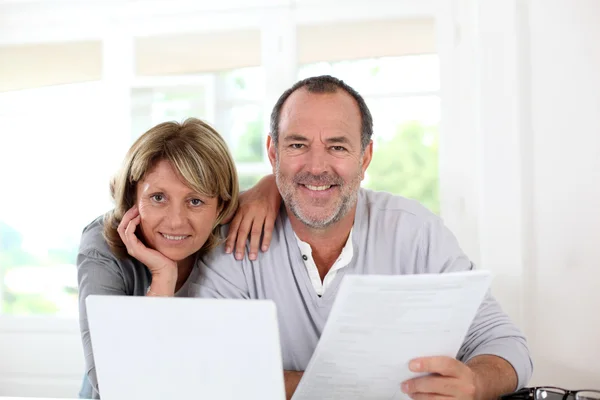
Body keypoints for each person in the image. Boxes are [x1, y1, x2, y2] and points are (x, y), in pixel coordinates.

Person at [193, 76, 534, 400]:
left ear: (365, 157)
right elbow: (209, 370)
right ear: (273, 152)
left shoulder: (415, 233)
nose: (316, 166)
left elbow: (505, 345)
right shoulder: (233, 242)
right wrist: (367, 389)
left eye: (337, 147)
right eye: (297, 144)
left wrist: (474, 382)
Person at [77, 117, 280, 399]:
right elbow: (115, 383)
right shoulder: (102, 246)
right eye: (158, 197)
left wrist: (271, 186)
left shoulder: (229, 231)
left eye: (195, 201)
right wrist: (162, 278)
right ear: (132, 197)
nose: (175, 222)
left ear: (221, 206)